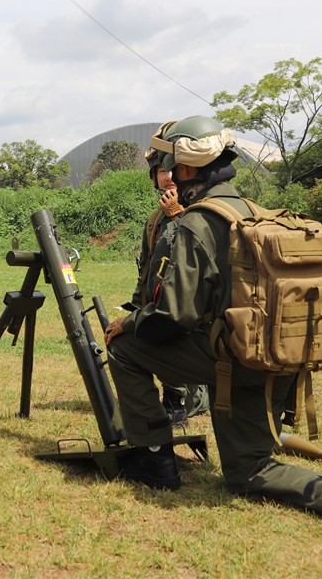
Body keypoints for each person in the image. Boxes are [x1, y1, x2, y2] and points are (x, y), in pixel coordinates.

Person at [104, 115, 322, 534]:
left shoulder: (197, 222)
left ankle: (154, 458)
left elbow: (174, 316)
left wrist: (128, 323)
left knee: (124, 348)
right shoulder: (252, 211)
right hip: (279, 359)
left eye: (170, 165)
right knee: (250, 469)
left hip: (236, 362)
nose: (166, 174)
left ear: (188, 167)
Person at [131, 141, 209, 428]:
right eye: (162, 170)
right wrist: (136, 309)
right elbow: (146, 270)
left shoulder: (202, 212)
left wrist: (177, 216)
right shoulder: (155, 220)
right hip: (159, 302)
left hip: (193, 310)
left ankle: (177, 401)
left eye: (174, 169)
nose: (169, 176)